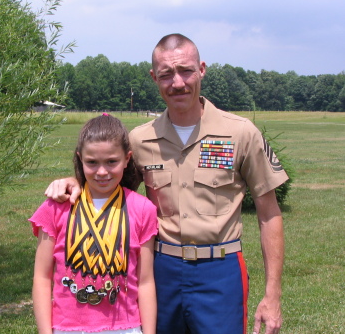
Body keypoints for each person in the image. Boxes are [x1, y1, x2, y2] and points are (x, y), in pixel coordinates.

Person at [45, 34, 288, 334]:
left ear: (202, 69)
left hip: (221, 271)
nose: (177, 83)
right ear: (154, 78)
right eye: (166, 74)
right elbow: (108, 186)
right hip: (161, 271)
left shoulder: (241, 134)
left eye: (186, 70)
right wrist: (76, 181)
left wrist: (272, 295)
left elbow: (269, 214)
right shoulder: (140, 139)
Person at [30, 114, 158, 334]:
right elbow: (42, 277)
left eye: (111, 162)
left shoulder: (143, 209)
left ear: (127, 159)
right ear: (80, 158)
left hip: (125, 327)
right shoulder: (56, 208)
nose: (101, 172)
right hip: (66, 327)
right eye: (92, 162)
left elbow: (146, 282)